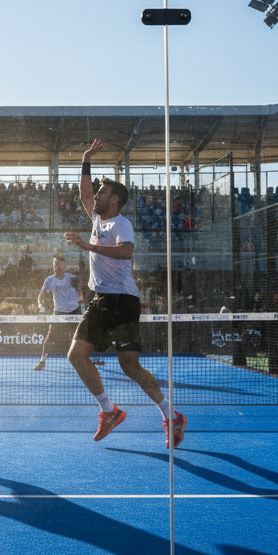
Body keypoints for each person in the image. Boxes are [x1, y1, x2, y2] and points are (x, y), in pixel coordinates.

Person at [63, 139, 185, 447]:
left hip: (124, 301)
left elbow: (127, 251)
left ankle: (172, 415)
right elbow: (84, 192)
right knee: (77, 355)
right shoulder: (96, 218)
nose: (95, 197)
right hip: (101, 299)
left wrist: (87, 245)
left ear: (114, 199)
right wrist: (86, 158)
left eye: (102, 193)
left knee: (129, 364)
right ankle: (109, 410)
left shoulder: (121, 223)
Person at [32, 254, 80, 370]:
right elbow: (41, 296)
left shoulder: (72, 278)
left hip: (74, 311)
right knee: (50, 336)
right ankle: (42, 361)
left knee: (77, 337)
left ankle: (81, 360)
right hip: (59, 311)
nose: (57, 267)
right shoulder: (49, 280)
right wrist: (40, 304)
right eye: (55, 265)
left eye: (59, 265)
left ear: (65, 267)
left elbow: (81, 292)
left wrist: (80, 294)